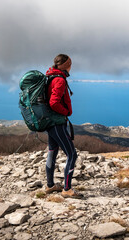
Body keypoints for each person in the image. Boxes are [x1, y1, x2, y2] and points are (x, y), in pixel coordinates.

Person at [44, 54, 83, 199]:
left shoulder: (51, 76)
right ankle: (67, 189)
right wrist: (66, 111)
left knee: (52, 151)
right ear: (67, 65)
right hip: (57, 123)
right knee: (72, 154)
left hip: (50, 123)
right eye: (70, 64)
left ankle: (50, 185)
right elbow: (54, 102)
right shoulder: (59, 80)